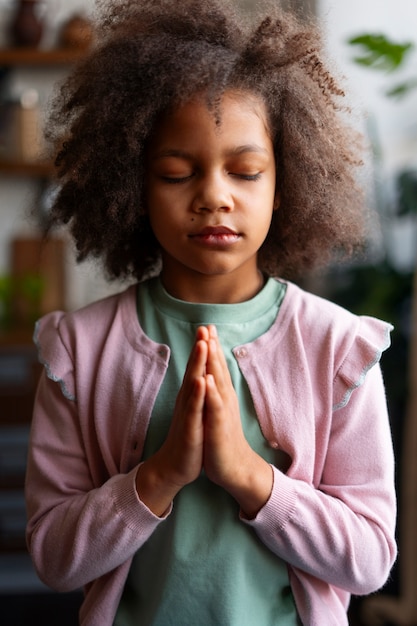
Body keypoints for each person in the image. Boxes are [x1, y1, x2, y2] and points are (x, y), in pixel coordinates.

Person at [25, 1, 397, 624]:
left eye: (246, 171)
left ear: (287, 184)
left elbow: (368, 561)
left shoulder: (339, 349)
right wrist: (160, 476)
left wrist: (253, 479)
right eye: (176, 173)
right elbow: (55, 560)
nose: (214, 197)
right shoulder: (79, 352)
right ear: (133, 187)